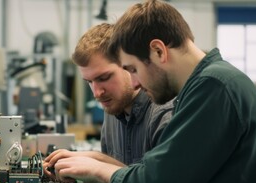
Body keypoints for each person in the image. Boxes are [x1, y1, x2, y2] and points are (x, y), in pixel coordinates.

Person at [49, 1, 256, 183]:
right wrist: (96, 160)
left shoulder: (214, 86)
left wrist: (97, 167)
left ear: (158, 51)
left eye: (133, 69)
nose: (134, 82)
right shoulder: (204, 86)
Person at [44, 23, 173, 175]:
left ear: (128, 66)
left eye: (104, 78)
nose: (97, 93)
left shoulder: (163, 114)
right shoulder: (112, 109)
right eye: (89, 82)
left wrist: (97, 166)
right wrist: (95, 158)